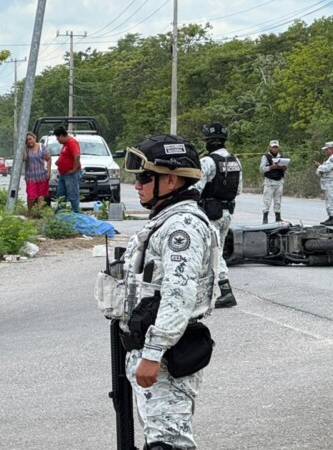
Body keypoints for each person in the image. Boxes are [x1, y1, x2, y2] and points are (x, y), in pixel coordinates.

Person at [122, 134, 217, 450]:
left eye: (145, 178)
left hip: (165, 355)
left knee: (169, 444)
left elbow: (179, 294)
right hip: (151, 350)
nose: (137, 185)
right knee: (158, 439)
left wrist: (152, 353)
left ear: (172, 180)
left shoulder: (182, 227)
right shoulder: (164, 220)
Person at [194, 122, 242, 309]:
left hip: (210, 213)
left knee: (213, 252)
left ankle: (225, 291)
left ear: (207, 141)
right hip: (227, 211)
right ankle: (212, 290)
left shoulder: (207, 162)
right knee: (217, 250)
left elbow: (196, 189)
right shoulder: (235, 161)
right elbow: (238, 189)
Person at [314, 141, 333, 226]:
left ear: (331, 149)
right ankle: (331, 216)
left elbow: (327, 168)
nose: (326, 151)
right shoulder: (331, 158)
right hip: (329, 183)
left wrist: (318, 166)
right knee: (329, 200)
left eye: (327, 150)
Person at [53, 126, 82, 213]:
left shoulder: (72, 142)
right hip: (63, 174)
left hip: (70, 174)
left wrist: (74, 169)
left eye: (57, 138)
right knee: (61, 194)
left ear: (61, 136)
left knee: (72, 194)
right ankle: (60, 213)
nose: (58, 140)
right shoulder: (66, 144)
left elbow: (77, 156)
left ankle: (75, 214)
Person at [22, 131, 52, 213]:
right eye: (26, 140)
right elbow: (24, 159)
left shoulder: (41, 147)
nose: (29, 141)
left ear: (34, 138)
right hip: (31, 177)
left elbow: (48, 158)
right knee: (31, 196)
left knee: (41, 196)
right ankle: (29, 212)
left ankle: (38, 212)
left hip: (42, 176)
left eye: (30, 139)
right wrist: (23, 147)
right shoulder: (27, 149)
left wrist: (48, 170)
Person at [260, 139, 287, 224]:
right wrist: (271, 167)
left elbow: (285, 167)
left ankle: (278, 217)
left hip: (279, 181)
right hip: (269, 181)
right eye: (273, 147)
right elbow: (261, 169)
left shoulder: (281, 156)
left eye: (276, 147)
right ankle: (265, 218)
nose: (275, 149)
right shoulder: (266, 157)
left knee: (278, 200)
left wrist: (283, 167)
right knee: (267, 200)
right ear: (270, 147)